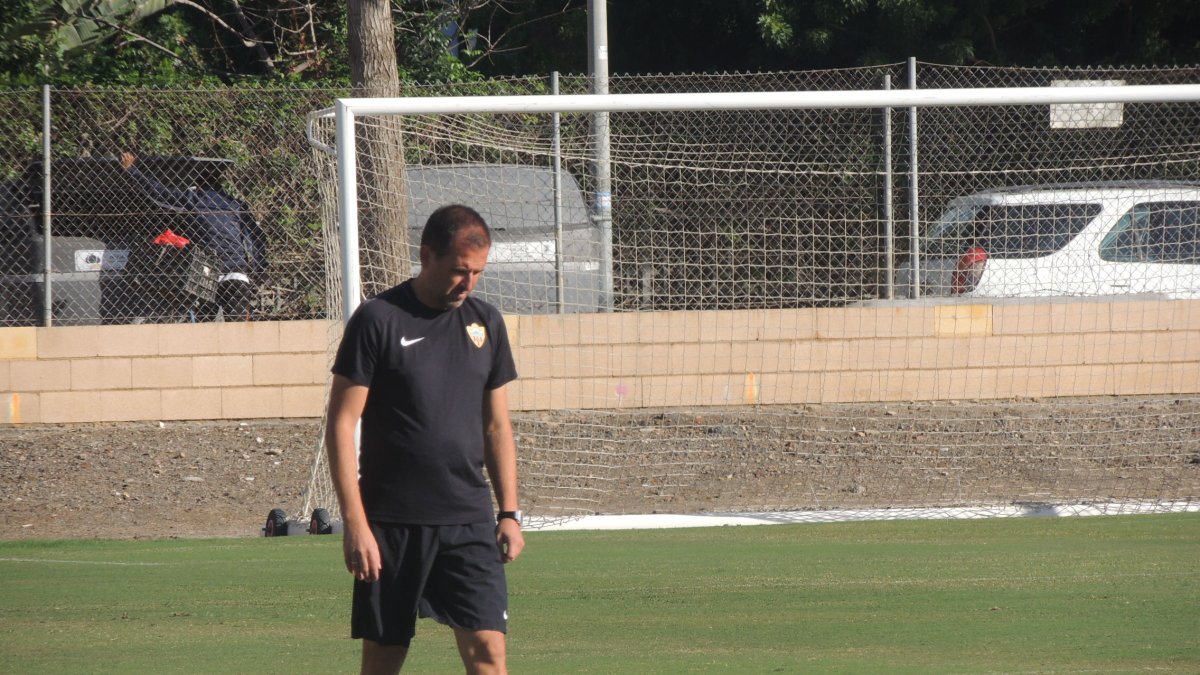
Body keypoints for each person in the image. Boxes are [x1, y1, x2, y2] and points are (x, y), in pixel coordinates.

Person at [325, 204, 525, 675]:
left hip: (468, 521)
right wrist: (355, 524)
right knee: (383, 662)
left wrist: (509, 513)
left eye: (477, 272)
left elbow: (497, 426)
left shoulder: (486, 324)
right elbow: (341, 423)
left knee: (490, 657)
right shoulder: (378, 319)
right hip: (392, 524)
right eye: (459, 270)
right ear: (426, 255)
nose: (468, 282)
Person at [119, 152, 266, 321]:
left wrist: (132, 171)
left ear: (198, 184)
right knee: (237, 321)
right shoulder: (236, 205)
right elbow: (255, 237)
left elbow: (160, 193)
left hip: (207, 271)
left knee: (205, 322)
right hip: (236, 270)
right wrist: (259, 268)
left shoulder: (194, 199)